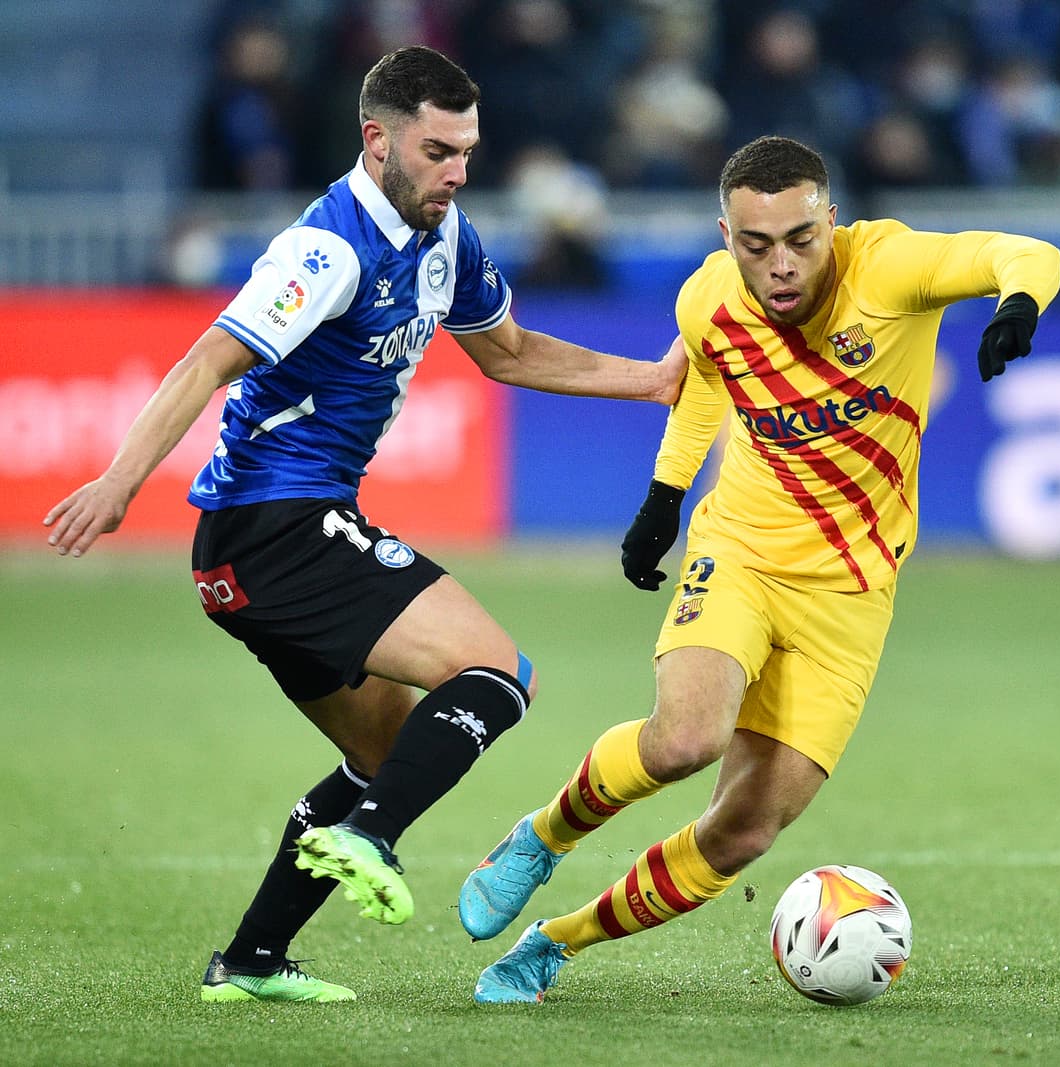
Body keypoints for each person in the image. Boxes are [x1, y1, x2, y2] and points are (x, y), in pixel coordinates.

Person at [43, 45, 685, 1004]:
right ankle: (371, 836)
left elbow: (507, 351)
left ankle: (251, 961)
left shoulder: (447, 234)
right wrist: (119, 481)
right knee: (499, 673)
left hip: (264, 547)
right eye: (436, 150)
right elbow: (207, 361)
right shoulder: (328, 247)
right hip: (275, 524)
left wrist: (656, 380)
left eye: (467, 150)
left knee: (383, 754)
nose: (457, 170)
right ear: (376, 139)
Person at [458, 134, 1060, 1004]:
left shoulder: (888, 268)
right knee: (685, 740)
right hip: (740, 550)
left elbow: (1024, 249)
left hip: (852, 593)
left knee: (743, 830)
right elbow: (709, 373)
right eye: (755, 244)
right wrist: (663, 499)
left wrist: (1018, 302)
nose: (779, 265)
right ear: (725, 233)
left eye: (800, 240)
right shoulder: (708, 293)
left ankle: (557, 942)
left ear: (831, 222)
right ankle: (541, 837)